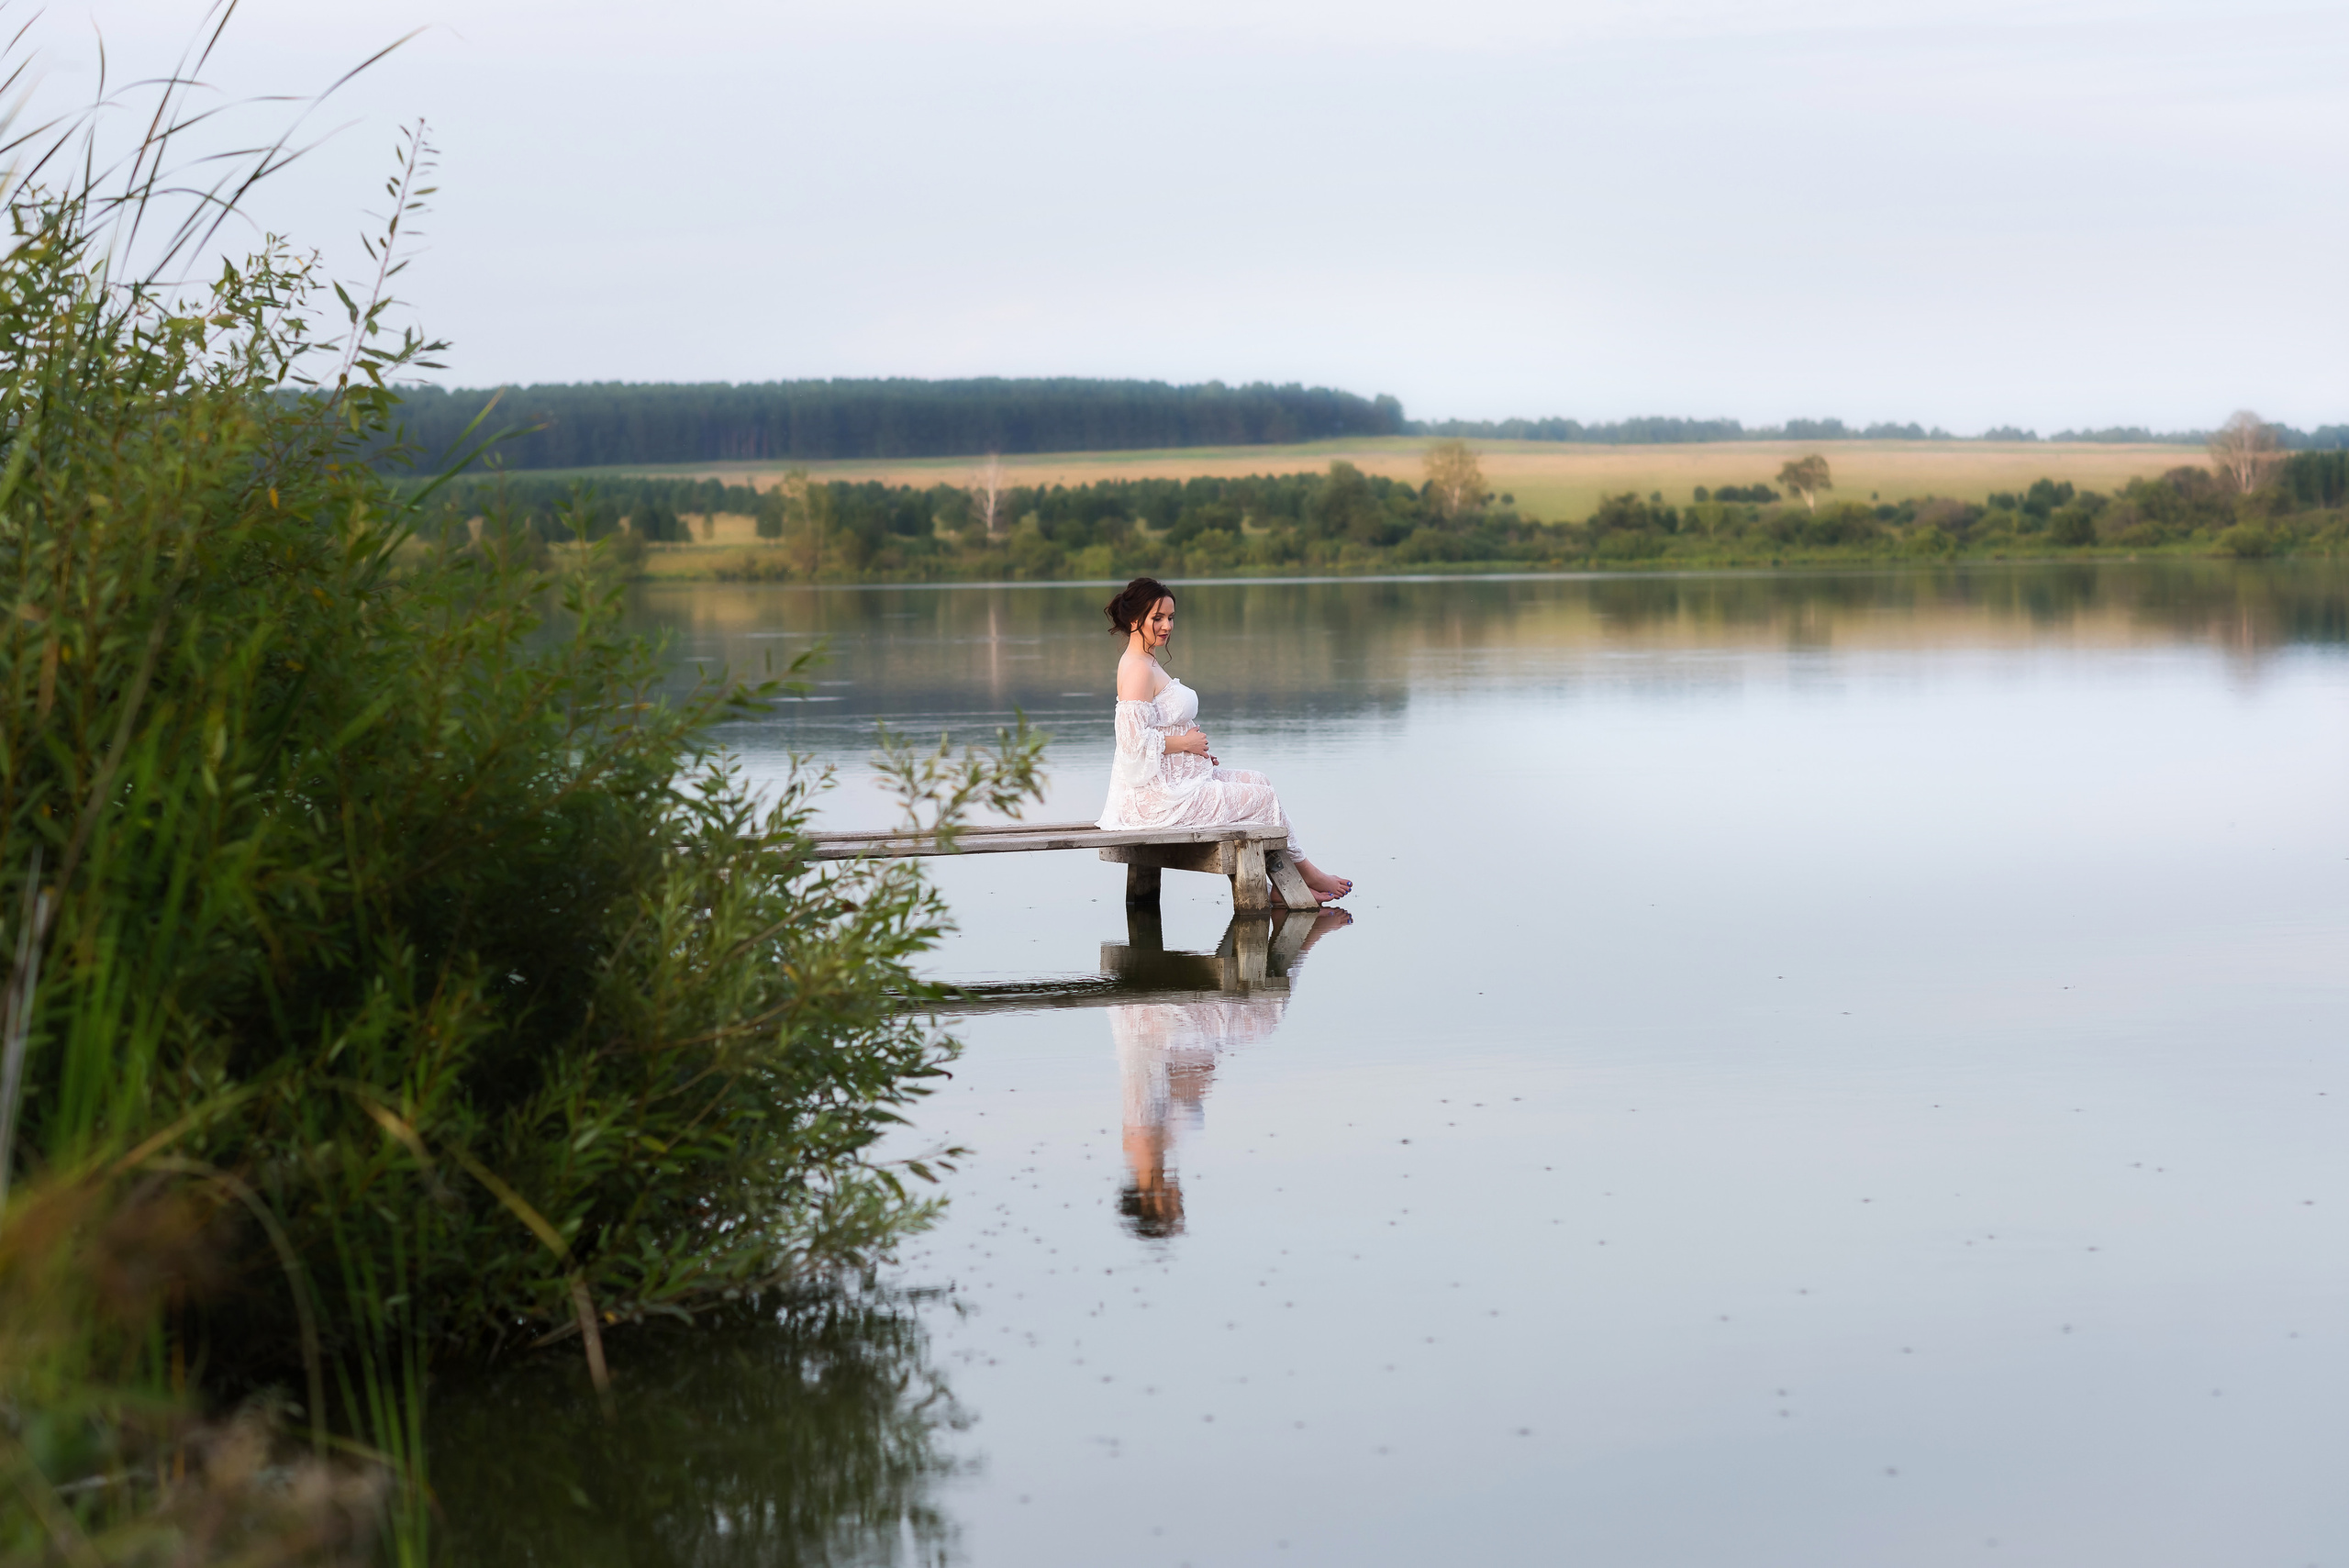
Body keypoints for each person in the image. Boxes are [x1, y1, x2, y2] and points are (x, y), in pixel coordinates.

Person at [1095, 577, 1352, 904]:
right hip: (1155, 802)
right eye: (1157, 618)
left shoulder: (1148, 661)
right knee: (1260, 801)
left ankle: (1283, 885)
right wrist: (1186, 746)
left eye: (1170, 617)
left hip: (1180, 781)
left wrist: (1194, 756)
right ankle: (1304, 877)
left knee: (1260, 782)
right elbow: (1132, 743)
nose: (1166, 626)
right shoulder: (1136, 669)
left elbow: (1158, 729)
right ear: (1135, 621)